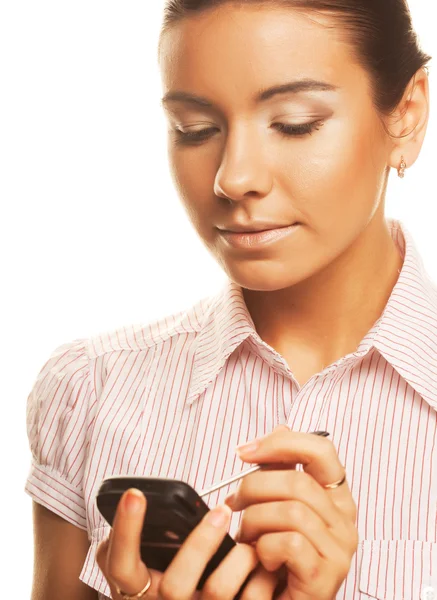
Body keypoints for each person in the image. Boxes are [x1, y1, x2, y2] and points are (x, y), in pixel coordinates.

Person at [24, 1, 436, 599]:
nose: (232, 177)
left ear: (406, 113)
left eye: (293, 123)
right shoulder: (91, 392)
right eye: (196, 130)